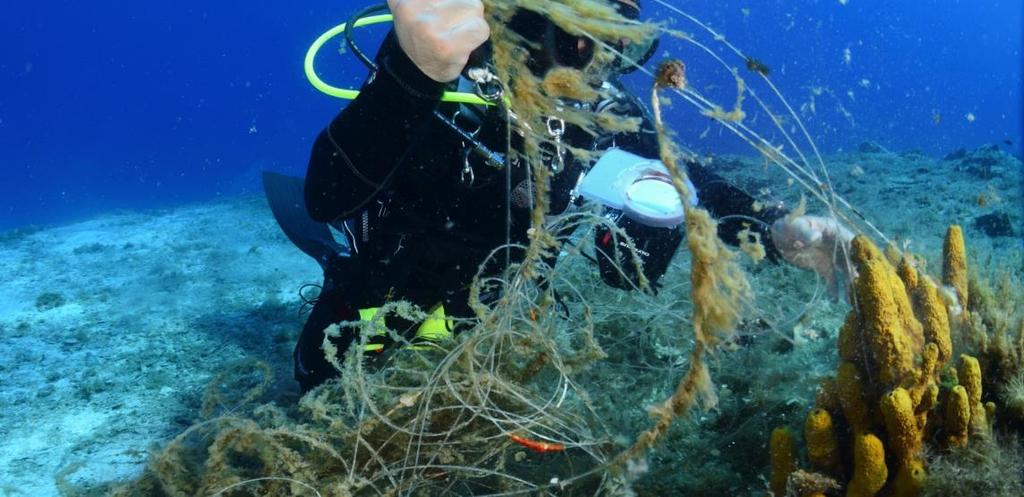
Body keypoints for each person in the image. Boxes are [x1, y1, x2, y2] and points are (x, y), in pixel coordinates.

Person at [264, 0, 851, 392]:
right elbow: (327, 195)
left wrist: (777, 229)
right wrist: (413, 72)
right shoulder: (447, 74)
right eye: (580, 27)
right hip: (378, 298)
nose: (592, 56)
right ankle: (330, 260)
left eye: (618, 36)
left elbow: (693, 186)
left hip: (491, 318)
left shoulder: (601, 112)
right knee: (315, 383)